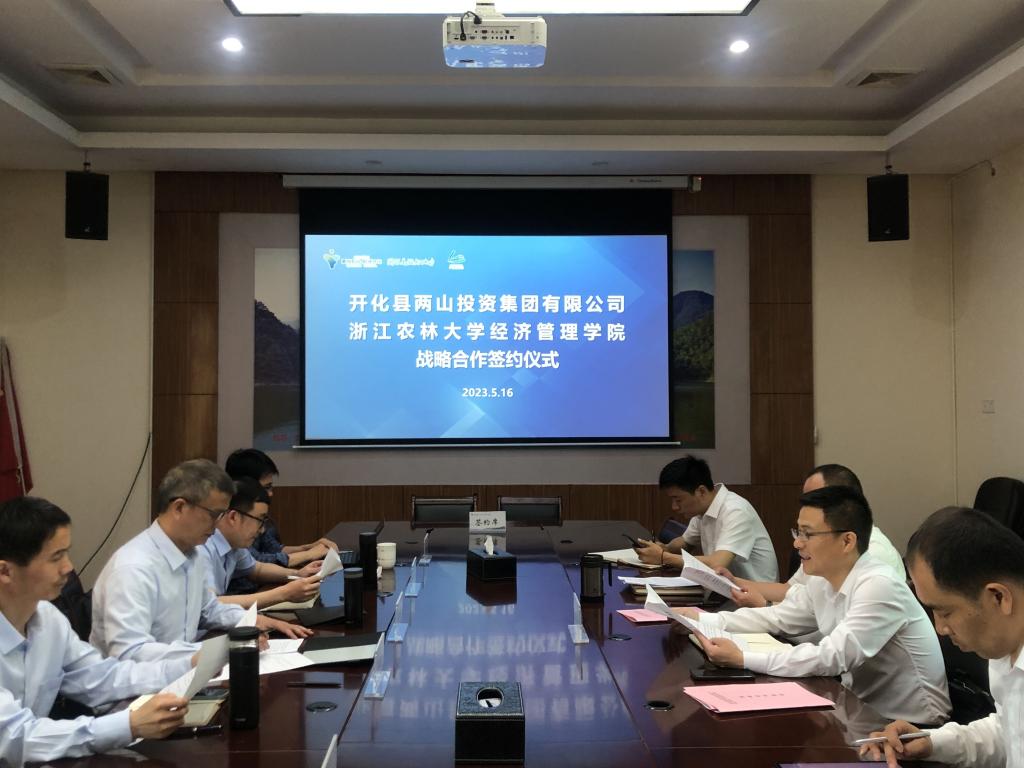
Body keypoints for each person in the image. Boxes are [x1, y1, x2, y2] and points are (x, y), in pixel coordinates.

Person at [676, 485, 950, 726]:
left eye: (807, 534)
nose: (797, 543)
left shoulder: (879, 585)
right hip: (858, 709)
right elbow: (778, 618)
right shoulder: (823, 578)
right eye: (798, 531)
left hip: (912, 726)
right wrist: (702, 619)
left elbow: (831, 657)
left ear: (847, 541)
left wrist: (743, 658)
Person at [0, 496, 191, 762]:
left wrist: (189, 665)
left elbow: (102, 677)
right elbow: (16, 736)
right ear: (5, 572)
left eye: (66, 553)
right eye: (56, 557)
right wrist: (128, 725)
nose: (68, 567)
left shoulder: (48, 618)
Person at [91, 459, 310, 663]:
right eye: (214, 514)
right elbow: (130, 653)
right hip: (140, 688)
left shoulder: (190, 553)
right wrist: (219, 650)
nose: (218, 525)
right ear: (179, 508)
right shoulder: (133, 568)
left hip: (182, 673)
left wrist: (252, 622)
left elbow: (209, 609)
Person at [861, 507, 1024, 768]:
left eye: (945, 612)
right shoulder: (1004, 649)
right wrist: (931, 743)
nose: (940, 629)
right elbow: (1009, 734)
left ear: (998, 596)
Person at [724, 464, 906, 609]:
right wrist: (733, 582)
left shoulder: (874, 556)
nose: (797, 544)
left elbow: (837, 639)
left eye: (817, 498)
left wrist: (766, 606)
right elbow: (791, 593)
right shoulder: (824, 550)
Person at [634, 456, 779, 582]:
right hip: (725, 591)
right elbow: (685, 542)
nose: (674, 507)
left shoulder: (736, 511)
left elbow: (717, 563)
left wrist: (663, 557)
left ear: (701, 491)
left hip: (754, 599)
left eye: (678, 500)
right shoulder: (703, 510)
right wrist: (663, 548)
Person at [224, 450, 337, 596]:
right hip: (246, 596)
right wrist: (308, 555)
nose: (270, 493)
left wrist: (299, 571)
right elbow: (259, 559)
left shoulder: (239, 536)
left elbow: (258, 565)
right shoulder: (211, 544)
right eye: (266, 488)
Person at [200, 478, 323, 608]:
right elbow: (211, 605)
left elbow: (256, 569)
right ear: (233, 517)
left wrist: (297, 574)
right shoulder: (203, 549)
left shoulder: (233, 543)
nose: (262, 529)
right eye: (259, 520)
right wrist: (284, 593)